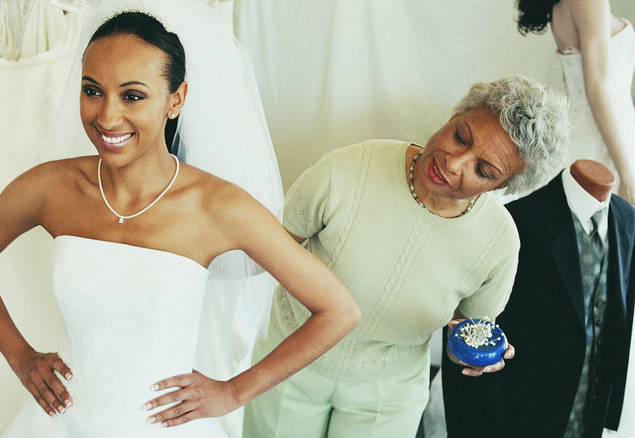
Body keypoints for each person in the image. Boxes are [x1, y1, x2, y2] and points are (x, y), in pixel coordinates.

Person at [0, 2, 360, 437]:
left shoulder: (218, 206)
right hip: (61, 424)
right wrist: (20, 356)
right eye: (92, 91)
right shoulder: (50, 188)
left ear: (175, 100)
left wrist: (234, 392)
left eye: (133, 95)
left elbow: (339, 310)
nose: (107, 116)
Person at [242, 75, 571, 438]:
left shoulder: (499, 242)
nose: (454, 164)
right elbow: (265, 252)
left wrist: (474, 352)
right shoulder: (347, 170)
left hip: (388, 395)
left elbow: (464, 331)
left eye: (483, 170)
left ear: (502, 186)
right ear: (453, 115)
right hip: (288, 364)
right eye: (460, 137)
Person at [442, 159, 635, 438]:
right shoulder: (515, 223)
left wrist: (607, 410)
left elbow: (618, 319)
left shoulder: (627, 220)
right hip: (521, 416)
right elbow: (471, 334)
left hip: (588, 411)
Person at [516, 0, 635, 205]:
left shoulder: (557, 7)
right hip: (608, 139)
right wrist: (626, 175)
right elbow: (597, 91)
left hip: (590, 133)